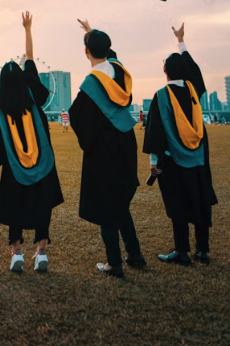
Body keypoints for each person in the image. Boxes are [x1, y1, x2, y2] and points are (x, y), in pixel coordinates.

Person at [0, 12, 64, 273]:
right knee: (42, 204)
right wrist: (27, 29)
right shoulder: (31, 93)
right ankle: (41, 252)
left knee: (15, 207)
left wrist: (2, 159)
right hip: (42, 162)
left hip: (13, 166)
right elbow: (30, 59)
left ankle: (16, 252)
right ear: (21, 79)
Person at [69, 18, 142, 278]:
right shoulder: (120, 71)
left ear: (86, 51)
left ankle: (114, 263)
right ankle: (135, 253)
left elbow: (77, 117)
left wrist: (88, 142)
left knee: (105, 204)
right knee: (120, 202)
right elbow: (110, 54)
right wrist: (91, 33)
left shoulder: (91, 85)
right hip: (127, 141)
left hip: (104, 149)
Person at [143, 24, 218, 267]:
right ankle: (203, 250)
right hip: (198, 160)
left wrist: (153, 162)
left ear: (164, 70)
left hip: (173, 161)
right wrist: (181, 42)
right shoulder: (194, 90)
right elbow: (195, 73)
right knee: (200, 201)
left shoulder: (161, 95)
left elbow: (155, 131)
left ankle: (182, 252)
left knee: (178, 205)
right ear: (186, 73)